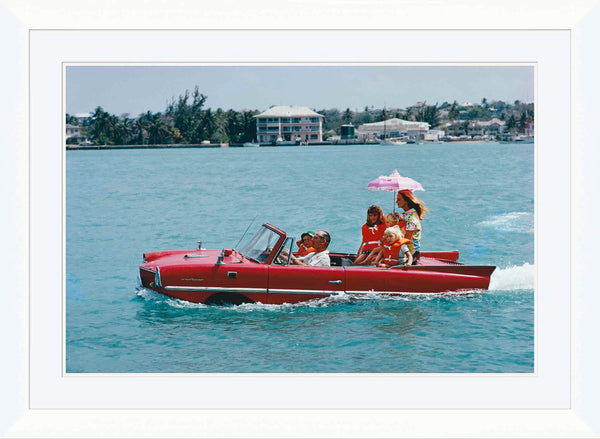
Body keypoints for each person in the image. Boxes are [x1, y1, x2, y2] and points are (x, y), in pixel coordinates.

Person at [396, 190, 429, 262]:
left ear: (406, 201)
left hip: (410, 252)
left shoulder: (411, 218)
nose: (396, 202)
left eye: (399, 199)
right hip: (405, 249)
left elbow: (407, 239)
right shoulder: (406, 215)